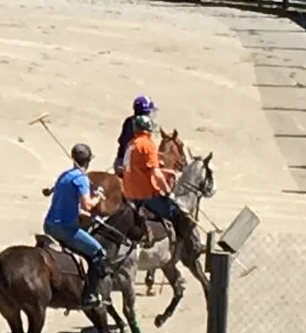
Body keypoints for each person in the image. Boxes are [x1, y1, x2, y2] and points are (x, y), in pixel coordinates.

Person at [44, 143, 110, 300]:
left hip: (49, 224)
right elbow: (87, 205)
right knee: (99, 252)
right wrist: (98, 197)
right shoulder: (81, 179)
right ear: (88, 161)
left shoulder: (64, 175)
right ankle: (91, 295)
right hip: (65, 228)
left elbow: (64, 199)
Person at [119, 114, 194, 244]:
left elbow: (140, 168)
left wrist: (168, 171)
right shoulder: (148, 145)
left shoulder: (131, 144)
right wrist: (169, 193)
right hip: (144, 195)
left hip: (128, 192)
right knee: (177, 212)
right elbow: (156, 174)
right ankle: (188, 247)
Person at [114, 95, 157, 173]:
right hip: (132, 163)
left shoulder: (129, 121)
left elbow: (122, 141)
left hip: (121, 160)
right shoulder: (145, 126)